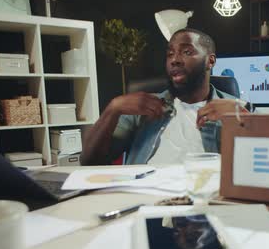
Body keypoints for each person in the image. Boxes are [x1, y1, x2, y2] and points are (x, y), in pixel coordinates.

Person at [81, 28, 248, 165]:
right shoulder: (143, 108)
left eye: (186, 51)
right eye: (170, 54)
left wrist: (246, 118)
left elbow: (265, 162)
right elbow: (90, 162)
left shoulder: (234, 108)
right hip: (143, 198)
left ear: (210, 61)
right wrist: (112, 109)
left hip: (204, 197)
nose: (174, 60)